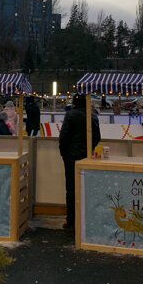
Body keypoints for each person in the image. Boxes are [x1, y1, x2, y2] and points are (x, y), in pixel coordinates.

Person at [59, 93, 101, 231]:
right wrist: (89, 149)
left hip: (71, 157)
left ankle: (71, 222)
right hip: (86, 156)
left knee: (71, 189)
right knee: (86, 188)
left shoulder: (70, 115)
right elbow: (97, 137)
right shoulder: (92, 115)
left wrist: (64, 153)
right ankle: (86, 220)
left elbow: (64, 137)